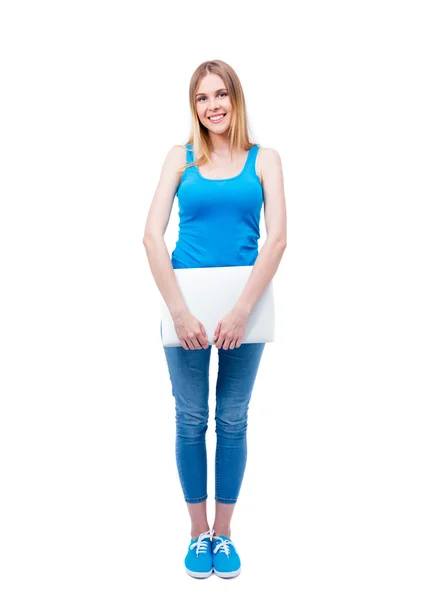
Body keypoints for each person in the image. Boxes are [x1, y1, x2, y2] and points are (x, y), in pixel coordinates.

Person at [142, 59, 287, 578]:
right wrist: (180, 314)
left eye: (220, 94)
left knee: (231, 418)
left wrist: (242, 311)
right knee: (189, 418)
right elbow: (150, 237)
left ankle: (223, 536)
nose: (213, 106)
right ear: (194, 105)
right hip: (187, 309)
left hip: (243, 309)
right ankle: (195, 533)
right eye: (202, 98)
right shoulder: (178, 159)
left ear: (236, 98)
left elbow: (277, 240)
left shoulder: (264, 159)